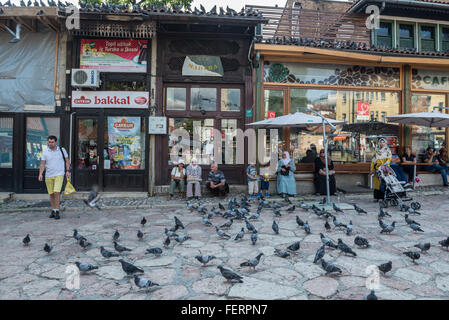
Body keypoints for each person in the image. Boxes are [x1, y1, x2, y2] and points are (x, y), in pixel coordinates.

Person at [38, 135, 70, 220]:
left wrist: (67, 171)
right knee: (51, 194)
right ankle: (53, 209)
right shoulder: (45, 151)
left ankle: (57, 211)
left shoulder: (62, 150)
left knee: (56, 192)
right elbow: (42, 164)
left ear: (56, 142)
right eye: (49, 142)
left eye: (52, 142)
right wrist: (40, 174)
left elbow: (67, 160)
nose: (50, 143)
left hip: (59, 174)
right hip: (48, 175)